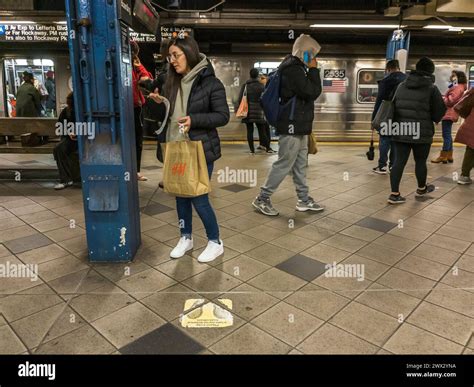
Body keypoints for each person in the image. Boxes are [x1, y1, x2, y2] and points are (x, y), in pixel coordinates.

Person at [148, 36, 230, 263]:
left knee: (198, 197)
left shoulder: (211, 83)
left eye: (176, 55)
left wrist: (195, 120)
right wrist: (157, 105)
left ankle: (215, 242)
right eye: (169, 57)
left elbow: (223, 116)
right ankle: (186, 237)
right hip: (175, 148)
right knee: (180, 196)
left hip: (200, 149)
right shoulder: (170, 82)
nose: (172, 61)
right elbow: (164, 118)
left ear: (189, 53)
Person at [252, 34, 323, 216]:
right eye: (311, 54)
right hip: (291, 126)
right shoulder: (293, 70)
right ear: (304, 53)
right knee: (284, 163)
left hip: (298, 125)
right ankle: (262, 198)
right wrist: (314, 70)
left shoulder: (295, 68)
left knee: (300, 165)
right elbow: (312, 91)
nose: (313, 58)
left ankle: (303, 199)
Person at [388, 57, 446, 204]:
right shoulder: (432, 88)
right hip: (421, 131)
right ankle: (421, 189)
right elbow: (439, 111)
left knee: (398, 161)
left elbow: (392, 104)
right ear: (430, 72)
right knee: (420, 161)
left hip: (400, 129)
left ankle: (394, 194)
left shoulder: (401, 85)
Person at [371, 59, 407, 174]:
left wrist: (374, 118)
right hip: (401, 114)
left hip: (387, 114)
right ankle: (393, 166)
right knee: (395, 140)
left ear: (388, 69)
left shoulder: (386, 81)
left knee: (385, 139)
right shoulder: (407, 79)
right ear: (398, 67)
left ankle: (382, 166)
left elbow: (379, 101)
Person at [431, 70, 468, 164]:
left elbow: (451, 101)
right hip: (451, 113)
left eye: (454, 75)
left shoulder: (457, 87)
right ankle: (449, 155)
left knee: (446, 135)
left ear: (458, 77)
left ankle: (443, 155)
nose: (452, 76)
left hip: (449, 113)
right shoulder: (458, 86)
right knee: (448, 134)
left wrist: (443, 98)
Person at [238, 69, 275, 154]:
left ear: (250, 75)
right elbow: (265, 99)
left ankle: (252, 150)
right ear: (257, 75)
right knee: (262, 131)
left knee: (249, 131)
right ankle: (268, 148)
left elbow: (240, 99)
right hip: (259, 111)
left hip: (248, 112)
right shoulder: (261, 86)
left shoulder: (245, 86)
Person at [131, 40, 153, 182]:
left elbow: (148, 79)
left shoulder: (135, 66)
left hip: (136, 107)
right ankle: (130, 170)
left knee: (138, 141)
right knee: (131, 140)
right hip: (129, 107)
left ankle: (136, 171)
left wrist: (139, 67)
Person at [53, 93, 80, 190]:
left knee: (60, 149)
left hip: (84, 138)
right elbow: (60, 126)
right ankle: (65, 179)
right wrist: (69, 133)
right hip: (71, 140)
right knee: (59, 149)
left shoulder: (82, 111)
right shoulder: (66, 112)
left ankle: (68, 179)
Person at [454, 87, 474, 185]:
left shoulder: (472, 93)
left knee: (470, 149)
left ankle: (464, 176)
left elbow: (463, 106)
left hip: (471, 124)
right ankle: (464, 175)